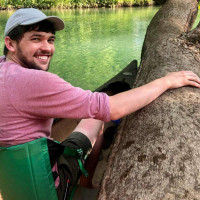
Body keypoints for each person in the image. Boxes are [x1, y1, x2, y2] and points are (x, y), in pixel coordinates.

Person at [0, 8, 200, 200]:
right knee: (99, 116)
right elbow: (113, 109)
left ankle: (84, 179)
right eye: (36, 39)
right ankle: (86, 183)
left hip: (15, 181)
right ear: (10, 43)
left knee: (92, 116)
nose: (47, 48)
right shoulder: (33, 81)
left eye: (50, 40)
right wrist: (165, 81)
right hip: (47, 191)